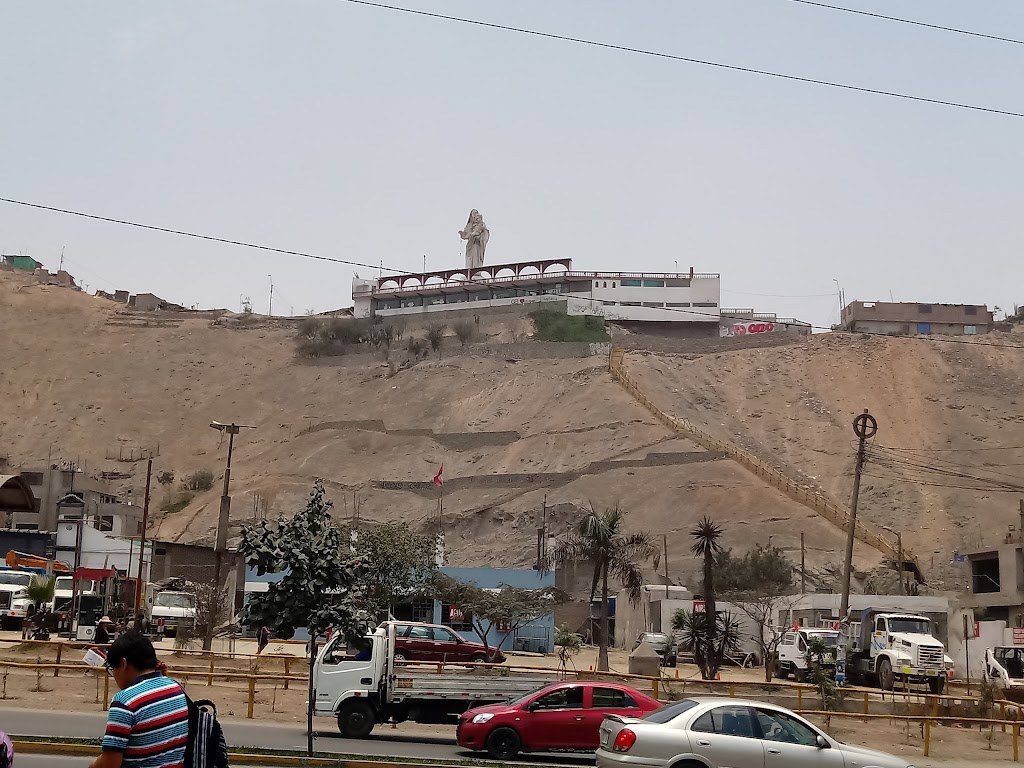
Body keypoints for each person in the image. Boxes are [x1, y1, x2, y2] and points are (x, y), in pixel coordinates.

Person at [89, 631, 188, 768]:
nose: (113, 675)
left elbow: (110, 764)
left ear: (123, 664)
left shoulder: (124, 702)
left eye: (112, 669)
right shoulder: (176, 688)